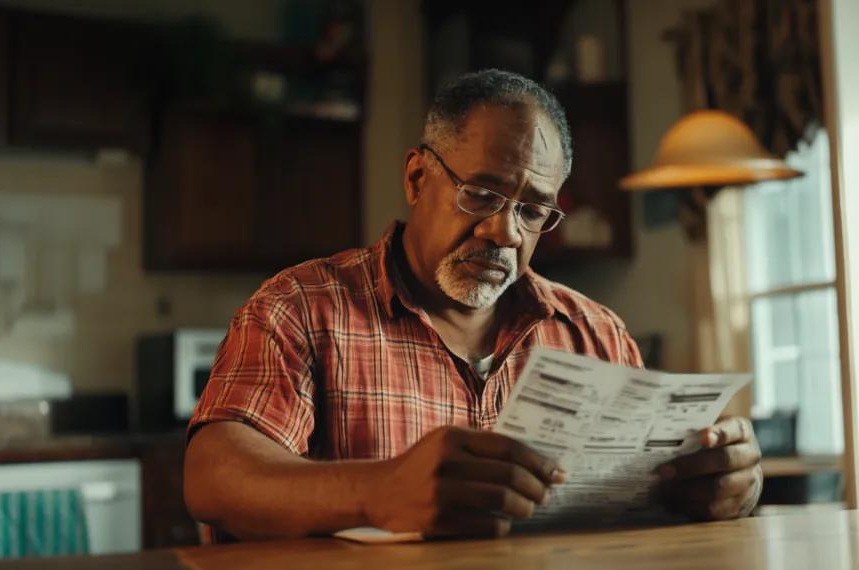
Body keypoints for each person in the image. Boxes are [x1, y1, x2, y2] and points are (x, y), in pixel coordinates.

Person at [183, 69, 763, 541]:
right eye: (481, 194)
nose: (505, 232)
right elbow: (212, 476)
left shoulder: (595, 332)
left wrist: (716, 483)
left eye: (533, 211)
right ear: (416, 178)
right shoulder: (303, 308)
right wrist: (380, 491)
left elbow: (648, 500)